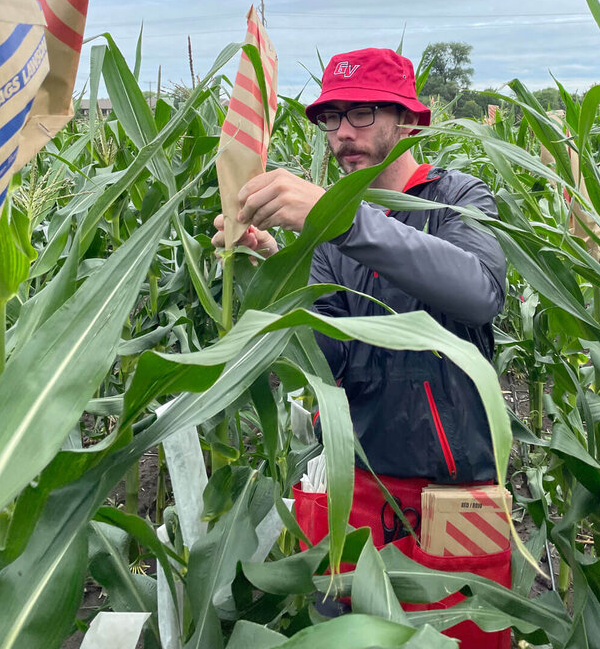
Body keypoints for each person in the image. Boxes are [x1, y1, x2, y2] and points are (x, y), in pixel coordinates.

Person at [213, 47, 509, 649]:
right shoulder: (326, 233)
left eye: (364, 114)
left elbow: (480, 291)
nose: (343, 134)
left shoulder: (454, 199)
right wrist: (279, 271)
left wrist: (341, 218)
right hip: (356, 490)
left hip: (452, 501)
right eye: (332, 118)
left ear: (408, 121)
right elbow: (331, 358)